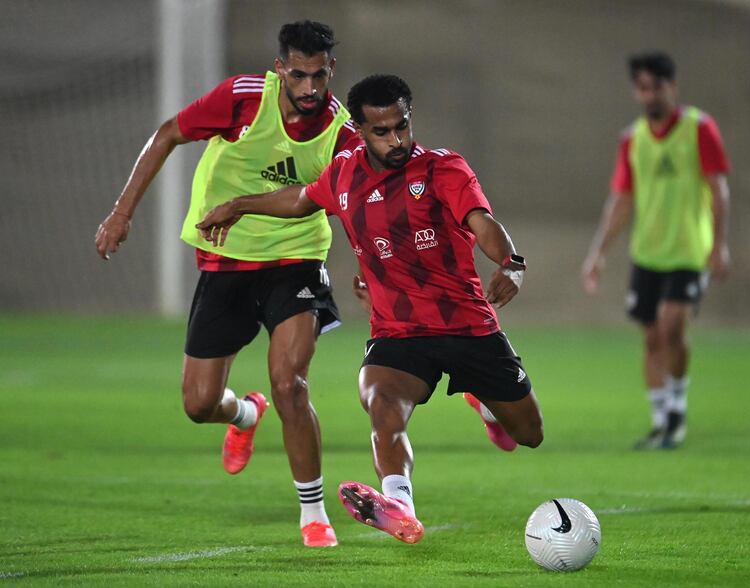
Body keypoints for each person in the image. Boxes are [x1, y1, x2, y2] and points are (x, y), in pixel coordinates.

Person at [196, 74, 545, 543]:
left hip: (466, 327)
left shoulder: (443, 168)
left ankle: (484, 403)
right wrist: (240, 204)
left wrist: (511, 263)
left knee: (529, 434)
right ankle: (399, 504)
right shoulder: (344, 173)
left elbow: (482, 223)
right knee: (381, 403)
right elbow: (302, 199)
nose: (396, 139)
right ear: (359, 130)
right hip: (398, 333)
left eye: (402, 126)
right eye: (382, 131)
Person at [94, 20, 362, 547]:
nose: (310, 88)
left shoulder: (341, 133)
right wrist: (121, 213)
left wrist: (370, 271)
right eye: (299, 75)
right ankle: (245, 412)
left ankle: (313, 514)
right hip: (225, 264)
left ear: (332, 70)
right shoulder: (242, 99)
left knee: (291, 382)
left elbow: (346, 205)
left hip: (297, 260)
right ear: (280, 69)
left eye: (319, 76)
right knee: (198, 404)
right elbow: (169, 132)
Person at [582, 51, 731, 450]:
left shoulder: (699, 128)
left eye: (657, 87)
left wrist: (719, 245)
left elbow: (718, 189)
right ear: (637, 91)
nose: (650, 95)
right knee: (650, 338)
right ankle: (660, 421)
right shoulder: (633, 139)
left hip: (688, 251)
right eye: (643, 88)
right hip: (647, 253)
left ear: (672, 87)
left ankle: (677, 410)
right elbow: (622, 199)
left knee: (672, 328)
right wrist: (599, 251)